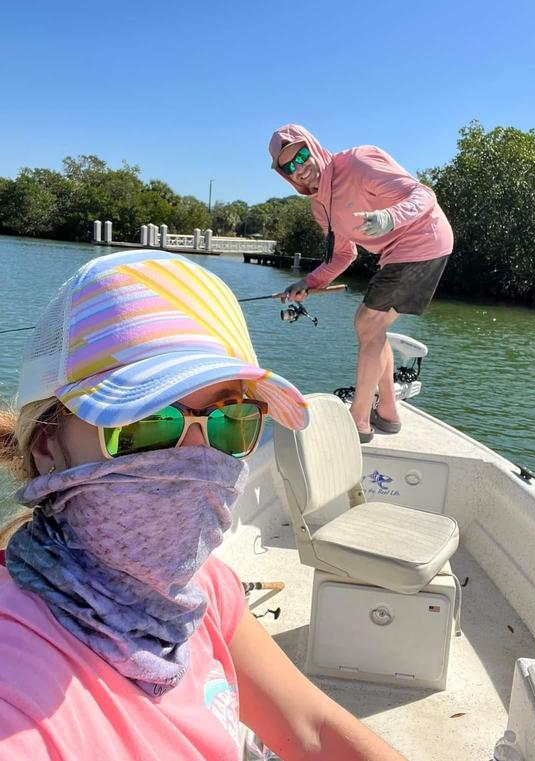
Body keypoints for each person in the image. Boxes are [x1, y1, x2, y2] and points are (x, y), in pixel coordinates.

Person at [0, 249, 407, 761]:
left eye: (230, 421)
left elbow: (312, 728)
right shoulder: (17, 687)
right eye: (145, 424)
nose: (198, 460)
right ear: (46, 448)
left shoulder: (203, 589)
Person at [269, 124, 454, 443]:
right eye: (290, 166)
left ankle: (358, 420)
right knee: (373, 329)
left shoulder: (358, 162)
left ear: (313, 146)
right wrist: (308, 283)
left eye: (301, 154)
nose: (300, 167)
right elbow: (343, 254)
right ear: (285, 175)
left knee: (366, 323)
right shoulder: (320, 208)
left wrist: (391, 217)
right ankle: (389, 412)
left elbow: (423, 195)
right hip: (394, 254)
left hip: (423, 239)